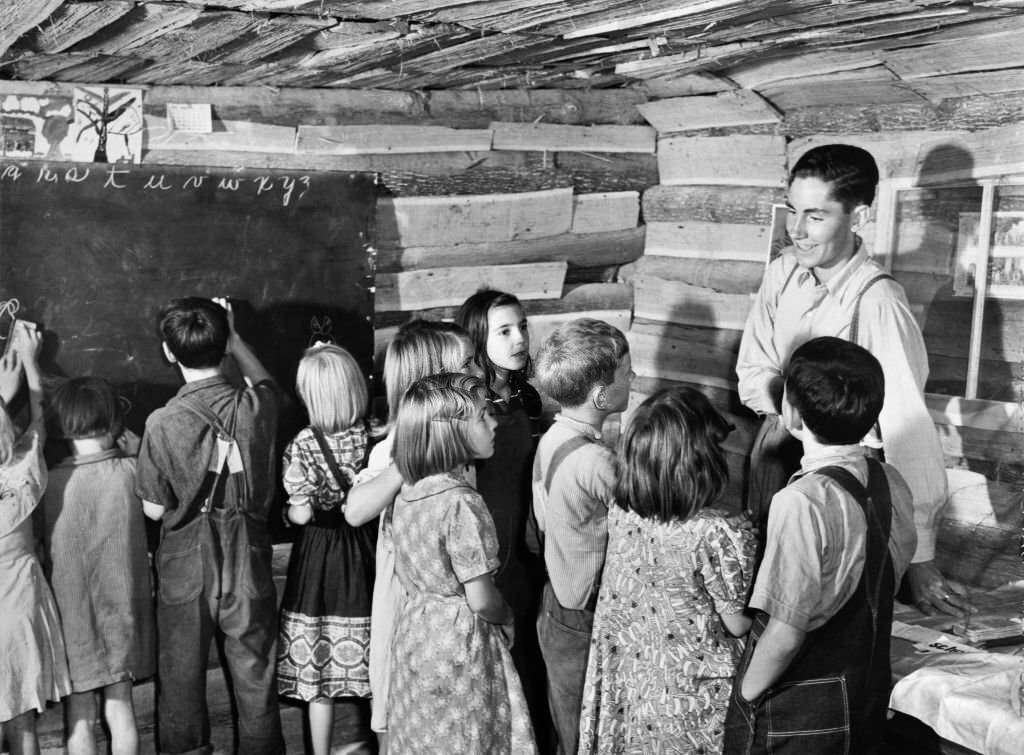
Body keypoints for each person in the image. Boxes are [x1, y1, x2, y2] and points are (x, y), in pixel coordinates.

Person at [735, 142, 969, 617]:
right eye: (793, 211)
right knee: (764, 606)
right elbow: (751, 372)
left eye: (816, 216)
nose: (797, 231)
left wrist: (921, 557)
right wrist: (797, 408)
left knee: (824, 618)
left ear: (859, 216)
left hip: (845, 480)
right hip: (776, 459)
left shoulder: (879, 303)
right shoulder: (782, 274)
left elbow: (907, 426)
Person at [723, 337, 917, 755]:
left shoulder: (802, 501)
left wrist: (746, 693)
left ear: (791, 412)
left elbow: (786, 634)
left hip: (801, 712)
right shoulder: (890, 482)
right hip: (864, 698)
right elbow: (887, 581)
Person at [136, 296, 283, 755]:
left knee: (180, 677)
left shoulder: (162, 422)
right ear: (224, 346)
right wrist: (236, 339)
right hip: (248, 555)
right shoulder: (258, 406)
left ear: (169, 351)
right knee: (256, 674)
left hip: (185, 561)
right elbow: (266, 382)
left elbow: (154, 511)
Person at [579, 387, 756, 754]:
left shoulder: (622, 513)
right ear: (700, 462)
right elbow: (737, 623)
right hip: (691, 702)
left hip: (635, 688)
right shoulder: (714, 532)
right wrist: (747, 548)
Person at [387, 373, 536, 753]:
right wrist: (506, 616)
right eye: (483, 416)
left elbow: (406, 572)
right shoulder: (462, 503)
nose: (494, 423)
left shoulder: (408, 493)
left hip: (417, 634)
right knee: (468, 736)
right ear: (452, 434)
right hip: (459, 645)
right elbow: (481, 599)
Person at [344, 319, 473, 753]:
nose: (477, 373)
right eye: (466, 364)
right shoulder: (395, 445)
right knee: (405, 709)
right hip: (410, 595)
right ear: (433, 379)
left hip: (454, 596)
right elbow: (356, 510)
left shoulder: (464, 437)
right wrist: (408, 457)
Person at [530, 318, 632, 755]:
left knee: (567, 726)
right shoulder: (595, 461)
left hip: (556, 602)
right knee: (585, 731)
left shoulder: (554, 436)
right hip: (583, 614)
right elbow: (637, 520)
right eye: (627, 371)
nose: (634, 376)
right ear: (601, 396)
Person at [43, 377, 155, 755]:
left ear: (62, 424)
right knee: (121, 709)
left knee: (79, 714)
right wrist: (140, 454)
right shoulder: (132, 472)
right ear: (113, 421)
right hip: (122, 617)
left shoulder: (49, 483)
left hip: (71, 621)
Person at [455, 289, 549, 742]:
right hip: (488, 540)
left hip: (526, 535)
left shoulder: (527, 397)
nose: (519, 339)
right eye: (504, 331)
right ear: (478, 338)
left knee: (529, 655)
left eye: (522, 327)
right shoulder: (468, 405)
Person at [276, 343, 375, 755]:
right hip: (366, 550)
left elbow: (300, 516)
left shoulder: (302, 444)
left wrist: (294, 504)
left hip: (319, 557)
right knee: (376, 663)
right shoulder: (372, 435)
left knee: (318, 676)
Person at [0, 328, 71, 755]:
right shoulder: (22, 476)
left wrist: (1, 397)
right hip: (19, 617)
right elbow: (41, 423)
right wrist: (29, 364)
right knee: (23, 721)